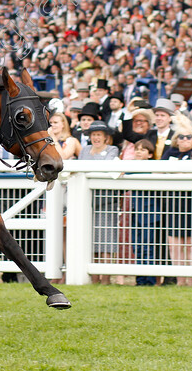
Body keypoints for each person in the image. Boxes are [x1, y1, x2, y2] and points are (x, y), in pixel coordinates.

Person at [161, 125, 192, 286]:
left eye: (189, 137)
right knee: (174, 245)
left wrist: (178, 173)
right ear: (176, 139)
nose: (185, 139)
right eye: (182, 137)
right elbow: (158, 171)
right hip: (173, 203)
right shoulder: (170, 153)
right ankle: (180, 280)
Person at [78, 121, 119, 285]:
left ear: (105, 137)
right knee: (90, 240)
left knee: (107, 240)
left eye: (99, 135)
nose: (96, 138)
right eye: (93, 135)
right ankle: (94, 279)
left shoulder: (112, 149)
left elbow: (106, 169)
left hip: (107, 202)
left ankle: (106, 278)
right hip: (87, 203)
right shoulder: (84, 150)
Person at [129, 139, 158, 286]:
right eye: (137, 149)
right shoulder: (132, 166)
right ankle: (140, 280)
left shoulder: (152, 167)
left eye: (143, 149)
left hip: (150, 213)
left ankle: (150, 280)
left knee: (148, 246)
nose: (139, 152)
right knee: (137, 246)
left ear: (150, 154)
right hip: (136, 213)